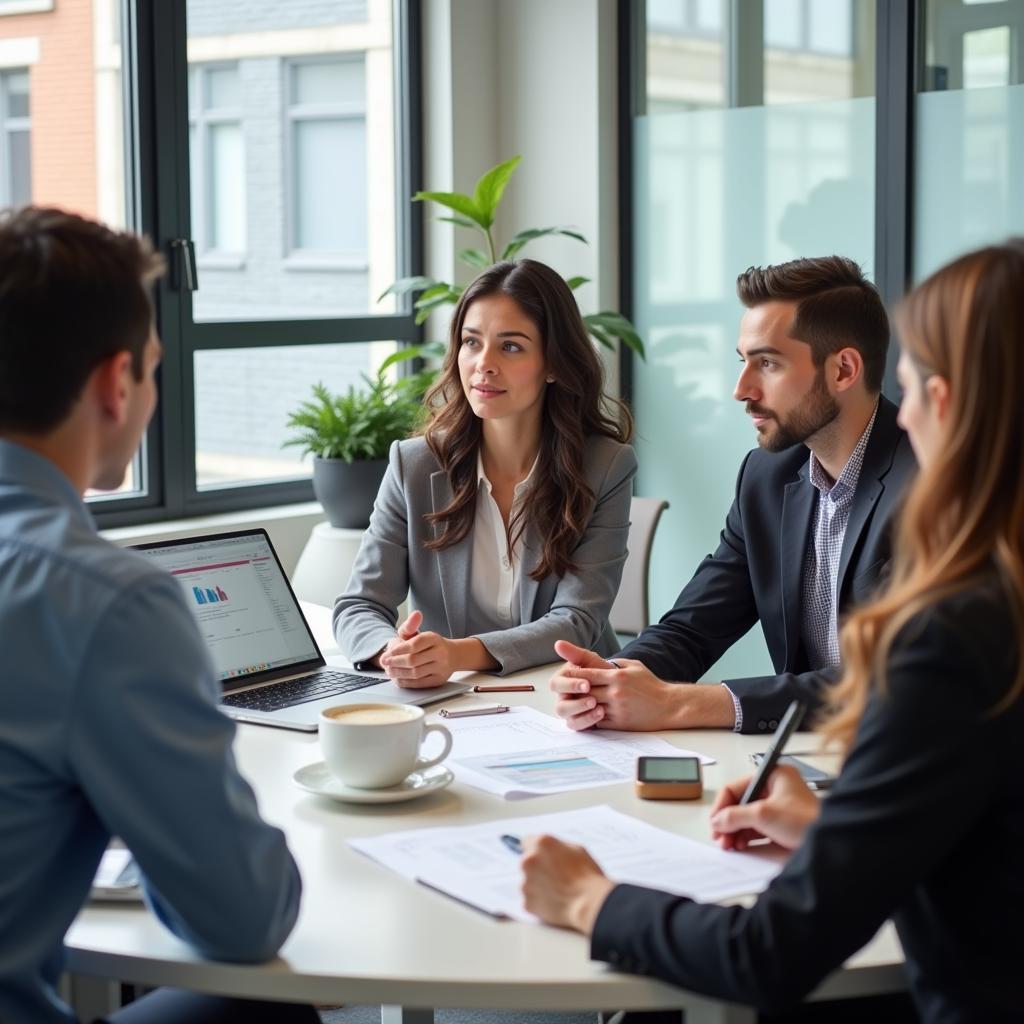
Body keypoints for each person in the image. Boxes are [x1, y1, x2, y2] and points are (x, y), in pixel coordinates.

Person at [520, 241, 1024, 1022]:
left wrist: (591, 899)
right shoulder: (770, 476)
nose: (739, 389)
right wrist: (620, 678)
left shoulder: (955, 590)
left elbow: (772, 953)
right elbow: (699, 615)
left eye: (919, 384)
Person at [0, 207, 317, 1024]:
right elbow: (246, 919)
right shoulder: (106, 601)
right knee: (266, 1011)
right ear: (116, 384)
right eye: (153, 370)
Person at [552, 255, 916, 734]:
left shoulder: (929, 484)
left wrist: (684, 704)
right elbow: (694, 626)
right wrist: (609, 679)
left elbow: (896, 679)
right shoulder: (766, 476)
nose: (740, 389)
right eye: (743, 361)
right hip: (805, 755)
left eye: (768, 363)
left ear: (844, 369)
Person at [334, 259, 636, 685]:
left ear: (553, 364)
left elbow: (577, 620)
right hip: (455, 702)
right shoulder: (414, 466)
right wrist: (395, 654)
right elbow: (359, 606)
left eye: (510, 346)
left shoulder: (604, 467)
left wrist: (457, 654)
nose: (483, 364)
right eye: (471, 342)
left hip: (569, 696)